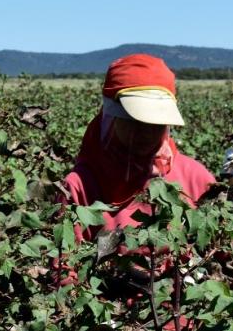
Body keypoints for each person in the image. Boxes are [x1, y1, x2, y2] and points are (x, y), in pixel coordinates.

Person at [60, 53, 216, 241]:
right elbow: (66, 264)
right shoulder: (80, 186)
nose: (147, 132)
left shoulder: (195, 178)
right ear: (111, 116)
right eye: (135, 121)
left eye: (157, 122)